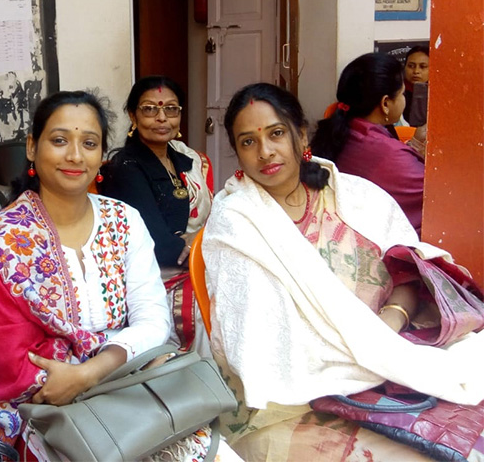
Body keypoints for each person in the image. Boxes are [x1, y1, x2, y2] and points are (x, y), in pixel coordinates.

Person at [203, 83, 484, 461]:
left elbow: (409, 271)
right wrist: (358, 355)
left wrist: (390, 323)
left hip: (395, 367)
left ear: (302, 135)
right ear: (237, 153)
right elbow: (255, 343)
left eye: (276, 133)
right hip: (291, 403)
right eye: (248, 142)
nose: (265, 151)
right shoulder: (236, 223)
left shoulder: (358, 198)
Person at [0, 91, 214, 461]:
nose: (75, 156)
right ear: (33, 147)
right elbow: (9, 362)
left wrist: (93, 371)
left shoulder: (123, 221)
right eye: (59, 140)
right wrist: (99, 366)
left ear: (101, 156)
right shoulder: (0, 242)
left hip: (128, 383)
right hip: (46, 410)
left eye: (89, 143)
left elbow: (153, 319)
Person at [99, 76, 213, 352]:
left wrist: (200, 241)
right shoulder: (126, 168)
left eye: (171, 109)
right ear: (133, 115)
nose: (162, 118)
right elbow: (159, 247)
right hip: (158, 278)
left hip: (196, 261)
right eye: (150, 109)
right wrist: (209, 245)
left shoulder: (183, 158)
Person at [311, 52, 425, 235]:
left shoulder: (343, 131)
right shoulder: (389, 154)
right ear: (385, 103)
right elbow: (439, 195)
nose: (404, 99)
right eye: (402, 94)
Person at [403, 45, 430, 121]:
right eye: (411, 66)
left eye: (423, 66)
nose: (416, 71)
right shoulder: (396, 92)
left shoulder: (437, 94)